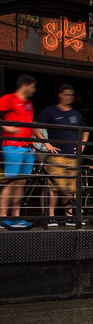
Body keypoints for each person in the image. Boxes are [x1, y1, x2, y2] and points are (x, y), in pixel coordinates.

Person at [34, 84, 89, 227]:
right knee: (53, 186)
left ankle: (70, 216)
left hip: (72, 155)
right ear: (60, 95)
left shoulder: (76, 114)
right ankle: (49, 215)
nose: (68, 97)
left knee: (71, 187)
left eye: (71, 95)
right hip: (56, 154)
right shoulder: (50, 111)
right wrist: (46, 143)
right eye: (66, 94)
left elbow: (86, 130)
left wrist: (82, 145)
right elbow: (34, 126)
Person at [0, 74, 39, 228]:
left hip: (27, 147)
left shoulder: (29, 103)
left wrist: (37, 141)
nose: (34, 90)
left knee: (20, 182)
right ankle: (3, 217)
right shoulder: (9, 99)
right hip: (12, 146)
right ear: (25, 85)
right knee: (11, 181)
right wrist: (4, 126)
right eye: (33, 86)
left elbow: (30, 124)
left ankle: (16, 217)